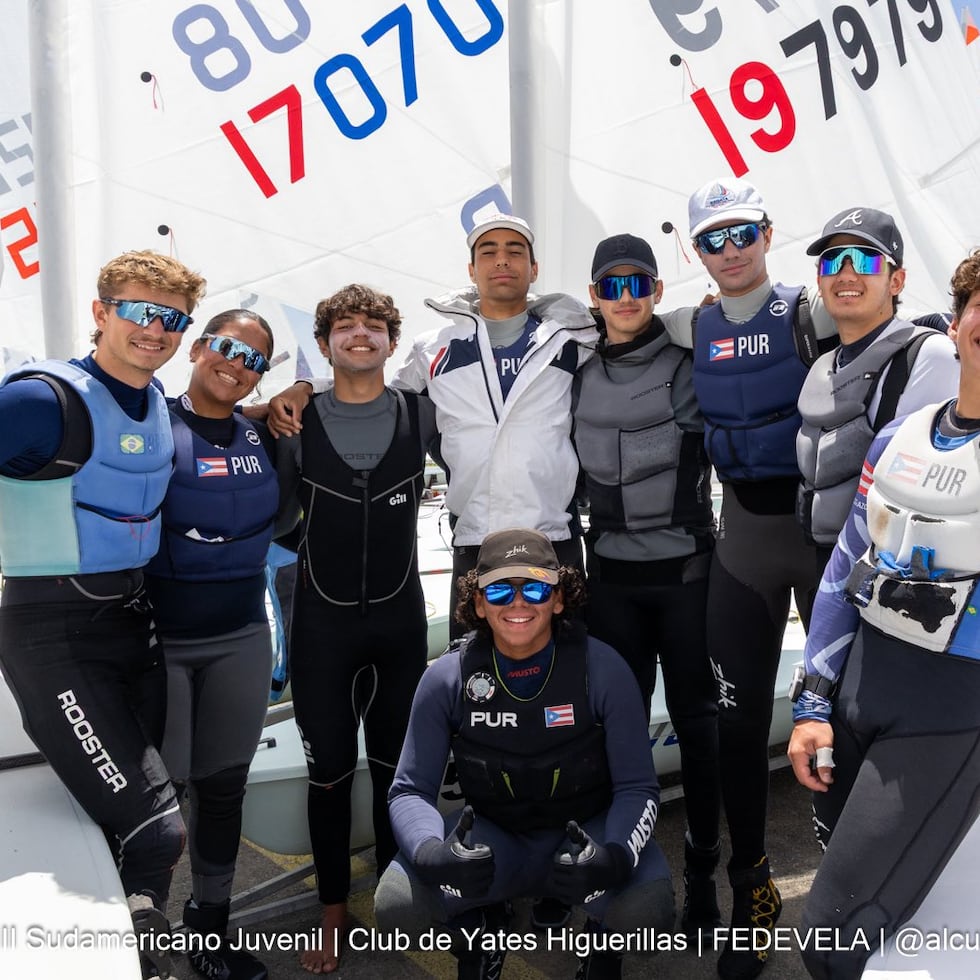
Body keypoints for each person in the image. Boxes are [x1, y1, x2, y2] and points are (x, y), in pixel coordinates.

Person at [0, 251, 207, 979]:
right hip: (53, 635)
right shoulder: (40, 400)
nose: (156, 330)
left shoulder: (154, 400)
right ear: (100, 312)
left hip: (132, 627)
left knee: (124, 821)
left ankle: (118, 953)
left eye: (172, 318)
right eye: (140, 311)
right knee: (156, 830)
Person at [657, 177, 839, 979]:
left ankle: (850, 883)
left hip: (826, 537)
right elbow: (592, 323)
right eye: (713, 240)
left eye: (742, 234)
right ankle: (753, 889)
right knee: (736, 728)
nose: (729, 251)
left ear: (768, 233)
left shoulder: (815, 308)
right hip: (745, 542)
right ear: (696, 253)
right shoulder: (685, 323)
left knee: (851, 715)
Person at [264, 213, 599, 643]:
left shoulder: (575, 337)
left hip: (555, 534)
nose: (502, 261)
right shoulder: (436, 346)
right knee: (472, 673)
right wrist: (307, 385)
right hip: (476, 538)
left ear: (533, 270)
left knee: (568, 665)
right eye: (488, 252)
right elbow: (370, 390)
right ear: (471, 270)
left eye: (515, 252)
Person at [786, 249, 980, 980]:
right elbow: (844, 571)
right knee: (887, 942)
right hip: (859, 700)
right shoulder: (903, 435)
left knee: (834, 941)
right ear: (957, 322)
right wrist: (812, 701)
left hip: (946, 713)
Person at [374, 527, 674, 980]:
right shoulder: (447, 679)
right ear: (478, 603)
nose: (517, 603)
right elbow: (409, 790)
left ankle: (602, 944)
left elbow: (639, 788)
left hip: (585, 840)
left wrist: (614, 858)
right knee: (398, 907)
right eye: (498, 589)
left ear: (558, 599)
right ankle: (478, 939)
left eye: (534, 587)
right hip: (497, 843)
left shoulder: (603, 668)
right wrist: (432, 854)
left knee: (648, 916)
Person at [275, 284, 437, 974]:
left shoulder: (421, 413)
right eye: (346, 325)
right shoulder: (292, 420)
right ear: (325, 343)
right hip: (323, 628)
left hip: (400, 621)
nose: (361, 334)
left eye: (374, 325)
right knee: (331, 776)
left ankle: (402, 898)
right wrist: (277, 396)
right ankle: (334, 915)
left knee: (398, 770)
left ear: (393, 343)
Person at [571, 233, 722, 937]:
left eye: (639, 283)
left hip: (687, 572)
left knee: (699, 732)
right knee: (615, 734)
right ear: (594, 295)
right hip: (611, 579)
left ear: (659, 291)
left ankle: (703, 879)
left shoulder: (692, 357)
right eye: (612, 284)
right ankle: (614, 880)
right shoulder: (571, 365)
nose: (626, 296)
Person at [145, 311, 280, 980]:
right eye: (226, 347)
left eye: (254, 357)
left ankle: (209, 934)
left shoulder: (264, 431)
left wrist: (300, 394)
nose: (236, 362)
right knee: (157, 805)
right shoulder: (147, 420)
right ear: (197, 349)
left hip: (241, 640)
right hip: (160, 645)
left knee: (224, 793)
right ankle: (140, 933)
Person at [796, 206, 959, 565]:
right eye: (832, 262)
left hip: (891, 576)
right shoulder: (823, 366)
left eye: (865, 260)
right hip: (820, 566)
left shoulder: (932, 356)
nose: (846, 274)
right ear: (819, 280)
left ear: (896, 280)